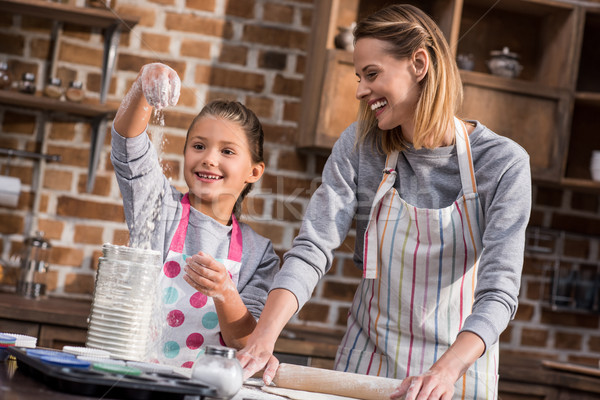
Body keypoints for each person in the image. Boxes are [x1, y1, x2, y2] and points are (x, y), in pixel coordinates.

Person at [238, 4, 531, 400]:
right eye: (359, 77)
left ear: (419, 63)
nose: (360, 90)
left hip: (457, 374)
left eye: (372, 74)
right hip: (366, 363)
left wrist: (444, 373)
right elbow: (312, 248)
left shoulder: (502, 163)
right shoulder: (360, 146)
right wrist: (263, 336)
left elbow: (499, 290)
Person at [111, 63, 280, 368]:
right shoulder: (160, 207)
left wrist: (225, 291)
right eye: (199, 146)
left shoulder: (260, 254)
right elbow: (127, 145)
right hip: (132, 379)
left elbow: (246, 343)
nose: (209, 159)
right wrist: (142, 84)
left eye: (227, 151)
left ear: (254, 172)